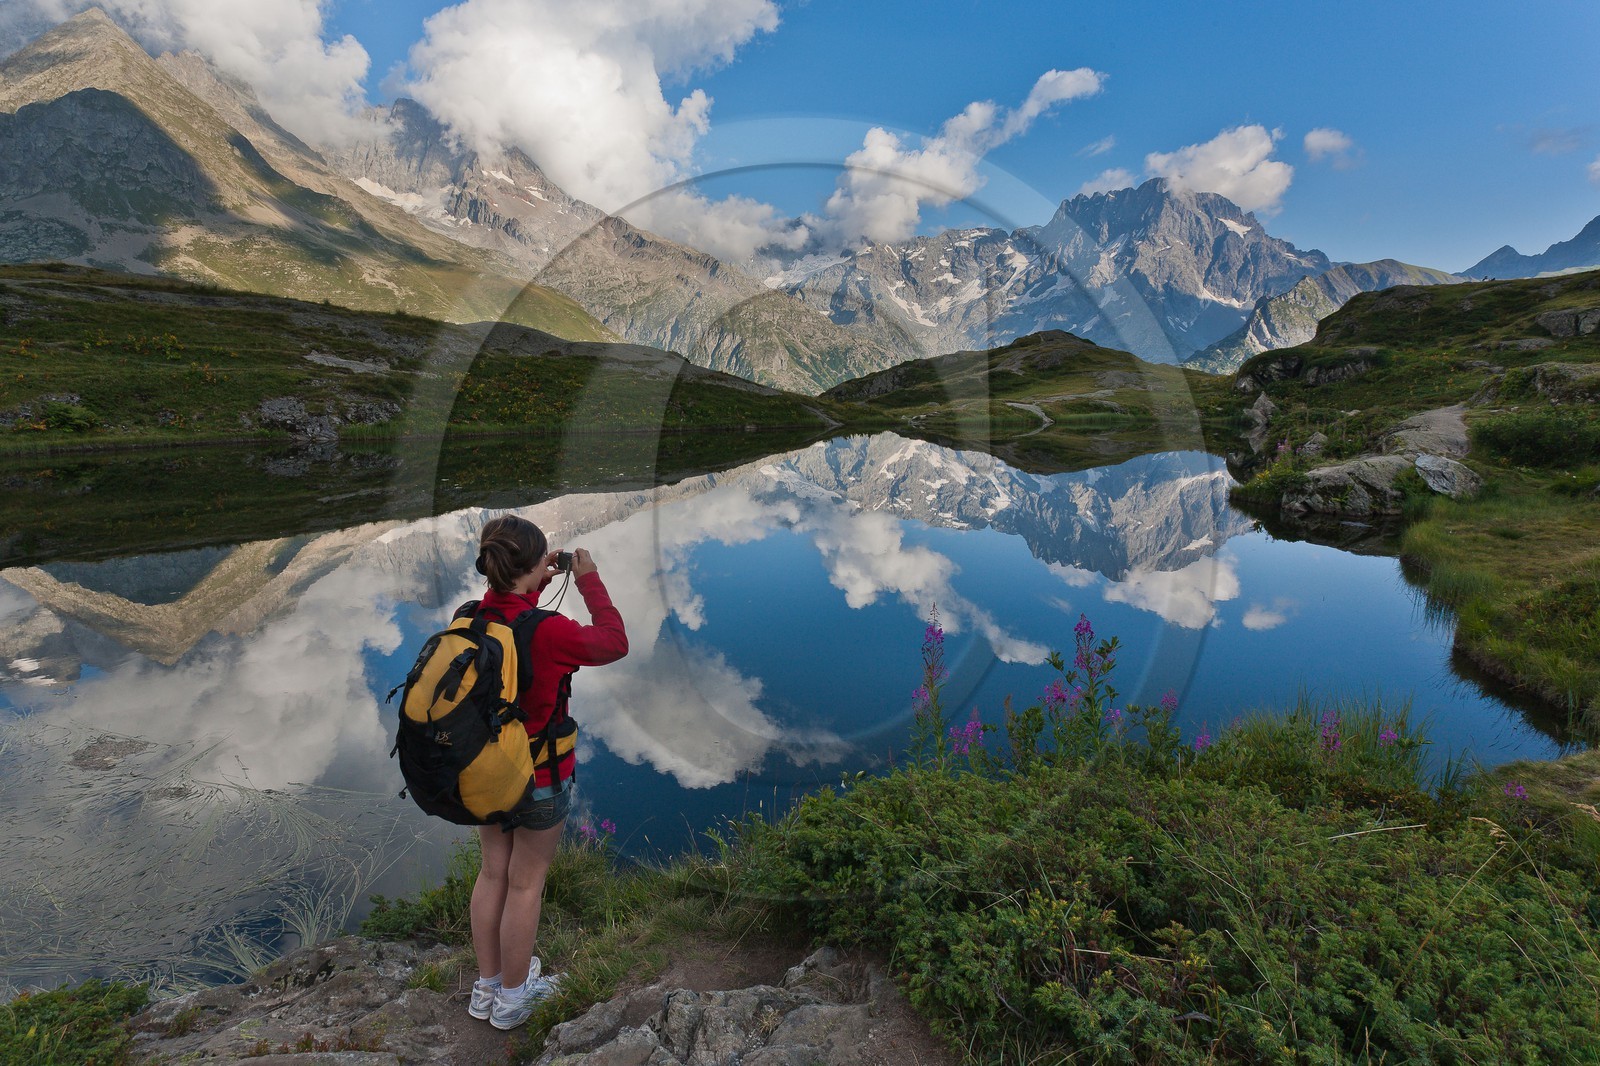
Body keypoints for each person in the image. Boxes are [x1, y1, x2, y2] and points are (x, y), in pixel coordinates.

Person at [464, 514, 628, 1030]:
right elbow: (613, 641)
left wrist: (530, 585)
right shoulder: (552, 632)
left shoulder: (469, 616)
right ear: (536, 566)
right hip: (538, 775)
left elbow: (511, 629)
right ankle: (515, 998)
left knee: (493, 872)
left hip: (485, 772)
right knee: (525, 883)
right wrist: (587, 580)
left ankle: (486, 987)